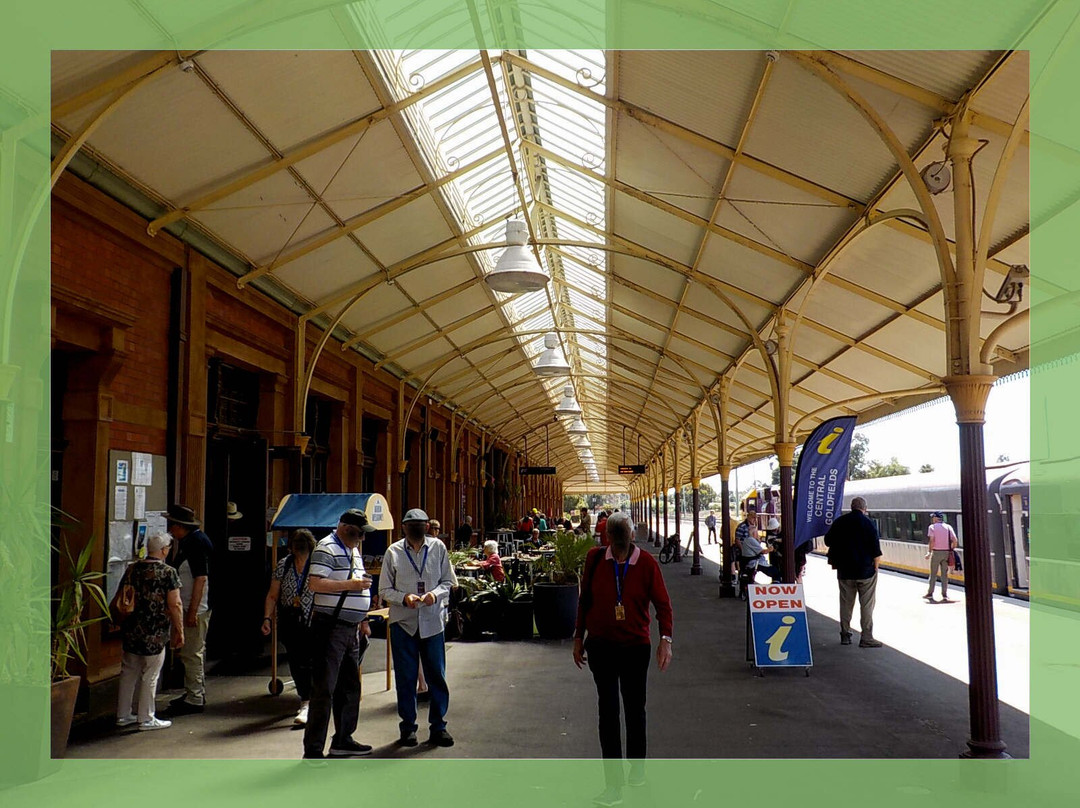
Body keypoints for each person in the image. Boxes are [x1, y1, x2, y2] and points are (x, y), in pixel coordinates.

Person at [573, 512, 673, 804]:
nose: (618, 545)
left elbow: (663, 605)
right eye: (614, 539)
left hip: (634, 647)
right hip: (602, 646)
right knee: (608, 712)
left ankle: (637, 767)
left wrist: (665, 640)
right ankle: (613, 784)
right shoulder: (594, 560)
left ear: (631, 537)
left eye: (622, 538)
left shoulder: (646, 564)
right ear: (607, 538)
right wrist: (579, 637)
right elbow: (584, 601)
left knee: (634, 708)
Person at [380, 508, 458, 748]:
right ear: (403, 527)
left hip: (432, 622)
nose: (416, 528)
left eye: (421, 524)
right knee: (406, 678)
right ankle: (408, 728)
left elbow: (449, 581)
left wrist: (435, 594)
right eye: (411, 524)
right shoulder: (393, 552)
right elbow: (384, 590)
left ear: (427, 526)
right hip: (404, 623)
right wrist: (404, 598)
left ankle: (439, 726)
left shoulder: (438, 549)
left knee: (437, 676)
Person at [302, 509, 376, 759]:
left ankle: (343, 739)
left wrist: (362, 617)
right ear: (345, 528)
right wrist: (351, 586)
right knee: (324, 687)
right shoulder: (326, 548)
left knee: (349, 686)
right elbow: (315, 584)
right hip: (330, 626)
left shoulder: (352, 549)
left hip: (349, 628)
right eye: (358, 534)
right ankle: (313, 749)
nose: (362, 539)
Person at [115, 533, 184, 731]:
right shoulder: (168, 572)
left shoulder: (132, 569)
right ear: (163, 550)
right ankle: (146, 717)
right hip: (155, 630)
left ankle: (123, 714)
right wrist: (179, 630)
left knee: (128, 671)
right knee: (150, 674)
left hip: (131, 628)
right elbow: (175, 603)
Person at [162, 504, 213, 716]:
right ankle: (194, 691)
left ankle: (195, 696)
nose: (170, 530)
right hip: (193, 604)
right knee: (192, 651)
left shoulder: (195, 543)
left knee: (192, 652)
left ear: (179, 526)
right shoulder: (192, 541)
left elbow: (201, 578)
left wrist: (192, 611)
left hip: (196, 606)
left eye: (172, 525)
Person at [261, 529, 316, 725]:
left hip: (314, 620)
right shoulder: (284, 565)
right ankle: (306, 699)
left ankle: (312, 699)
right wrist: (267, 618)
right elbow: (273, 594)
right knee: (296, 659)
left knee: (312, 660)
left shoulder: (317, 565)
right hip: (290, 620)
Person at [824, 497, 883, 648]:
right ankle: (866, 637)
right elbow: (876, 550)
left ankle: (845, 634)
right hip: (866, 572)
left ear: (851, 507)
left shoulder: (840, 522)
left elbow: (827, 541)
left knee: (845, 604)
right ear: (865, 508)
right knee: (867, 605)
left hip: (845, 571)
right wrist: (875, 568)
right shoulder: (868, 523)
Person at [736, 504, 781, 592]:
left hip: (749, 557)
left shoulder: (750, 537)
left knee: (746, 573)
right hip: (753, 560)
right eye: (753, 518)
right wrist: (744, 551)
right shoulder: (744, 530)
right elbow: (738, 540)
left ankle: (744, 590)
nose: (755, 519)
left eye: (755, 518)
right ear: (748, 517)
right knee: (775, 572)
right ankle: (777, 588)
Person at [924, 511, 958, 603]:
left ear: (935, 518)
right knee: (944, 575)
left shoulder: (932, 527)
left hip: (936, 552)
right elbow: (955, 540)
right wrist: (951, 549)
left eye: (933, 517)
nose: (932, 519)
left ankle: (930, 593)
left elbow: (932, 540)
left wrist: (929, 552)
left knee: (933, 574)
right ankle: (944, 594)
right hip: (946, 553)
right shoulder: (948, 527)